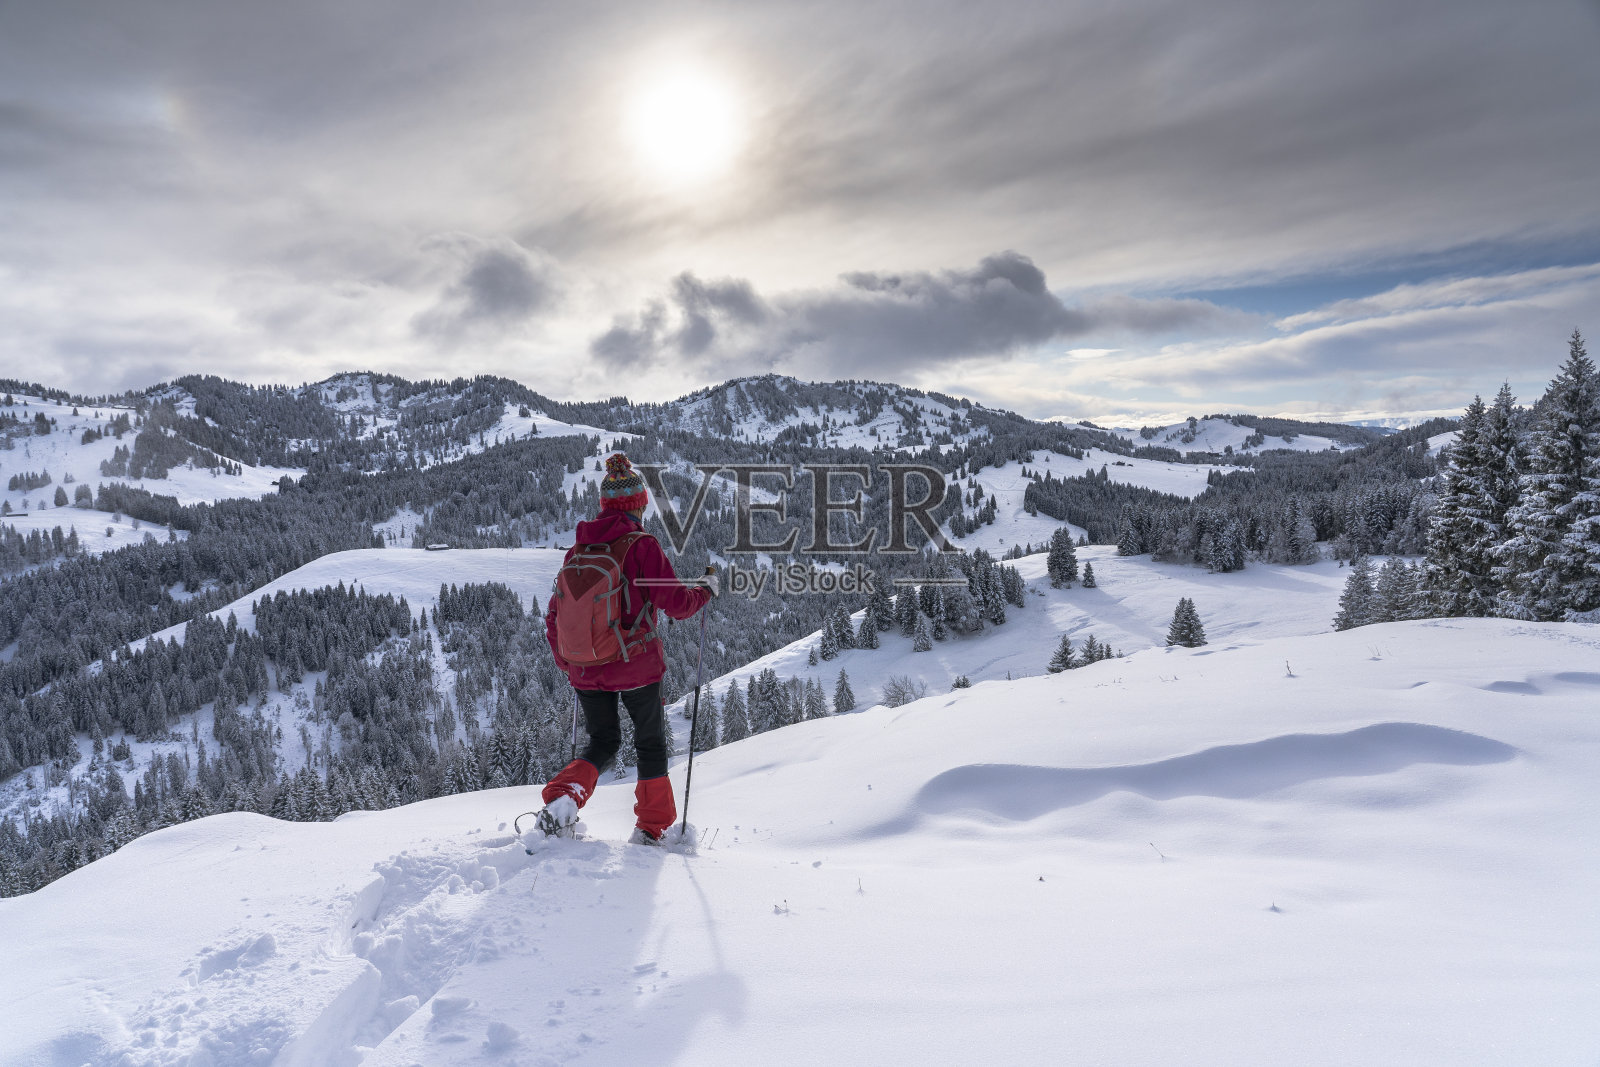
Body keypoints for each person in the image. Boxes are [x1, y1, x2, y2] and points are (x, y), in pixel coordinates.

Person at [539, 452, 715, 843]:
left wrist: (569, 664)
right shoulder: (642, 546)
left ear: (604, 505)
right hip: (635, 665)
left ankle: (563, 799)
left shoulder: (578, 551)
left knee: (603, 742)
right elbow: (678, 604)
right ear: (638, 506)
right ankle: (651, 828)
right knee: (649, 742)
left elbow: (555, 615)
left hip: (585, 667)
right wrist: (705, 591)